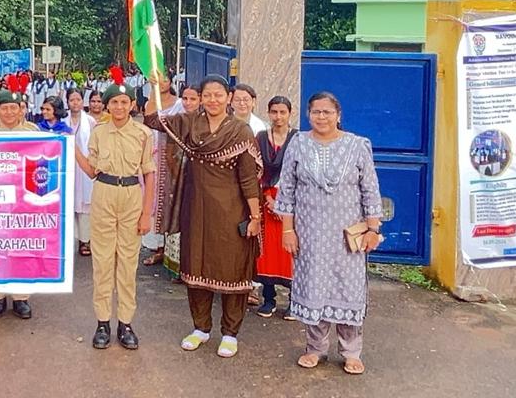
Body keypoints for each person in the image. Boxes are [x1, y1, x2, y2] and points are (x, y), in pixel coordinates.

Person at [144, 75, 261, 359]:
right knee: (196, 265)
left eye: (218, 95)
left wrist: (255, 216)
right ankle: (201, 328)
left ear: (229, 97)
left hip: (232, 211)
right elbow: (151, 120)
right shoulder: (189, 122)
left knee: (232, 269)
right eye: (207, 95)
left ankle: (230, 333)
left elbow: (248, 178)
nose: (212, 100)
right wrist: (154, 87)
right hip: (195, 208)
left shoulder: (241, 131)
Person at [276, 92, 383, 376]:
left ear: (339, 115)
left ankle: (351, 352)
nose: (321, 117)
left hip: (346, 237)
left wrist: (373, 228)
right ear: (308, 114)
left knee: (347, 290)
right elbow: (287, 190)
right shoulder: (298, 144)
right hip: (309, 234)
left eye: (327, 112)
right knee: (313, 289)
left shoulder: (357, 146)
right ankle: (315, 349)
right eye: (316, 112)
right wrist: (288, 230)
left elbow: (370, 190)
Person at [74, 70, 155, 350]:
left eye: (124, 102)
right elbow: (92, 170)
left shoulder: (144, 134)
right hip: (104, 195)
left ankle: (126, 323)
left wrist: (147, 213)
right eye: (114, 102)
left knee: (128, 262)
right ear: (106, 105)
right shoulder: (98, 133)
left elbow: (149, 174)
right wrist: (72, 149)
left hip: (131, 194)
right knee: (103, 260)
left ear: (132, 105)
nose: (119, 107)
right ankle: (102, 323)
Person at [0, 78, 38, 319]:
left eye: (13, 108)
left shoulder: (34, 133)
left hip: (25, 202)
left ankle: (21, 299)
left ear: (21, 110)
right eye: (4, 108)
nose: (9, 112)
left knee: (22, 249)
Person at [143, 80, 195, 268]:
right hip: (173, 170)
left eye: (193, 99)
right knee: (168, 209)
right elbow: (151, 120)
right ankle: (165, 254)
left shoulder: (209, 121)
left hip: (201, 176)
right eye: (186, 98)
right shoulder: (178, 120)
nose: (188, 103)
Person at [255, 96, 298, 318]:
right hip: (266, 200)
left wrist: (284, 204)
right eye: (274, 112)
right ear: (268, 113)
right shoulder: (261, 137)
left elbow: (301, 172)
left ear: (290, 113)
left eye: (282, 112)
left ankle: (295, 300)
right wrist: (266, 198)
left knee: (290, 251)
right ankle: (268, 298)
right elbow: (255, 168)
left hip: (292, 202)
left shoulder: (299, 138)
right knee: (267, 251)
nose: (278, 117)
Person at [66, 88, 97, 257]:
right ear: (67, 102)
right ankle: (71, 240)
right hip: (69, 166)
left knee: (85, 205)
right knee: (70, 203)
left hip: (84, 166)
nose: (75, 103)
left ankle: (85, 240)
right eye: (72, 100)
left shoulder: (90, 121)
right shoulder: (63, 121)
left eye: (78, 99)